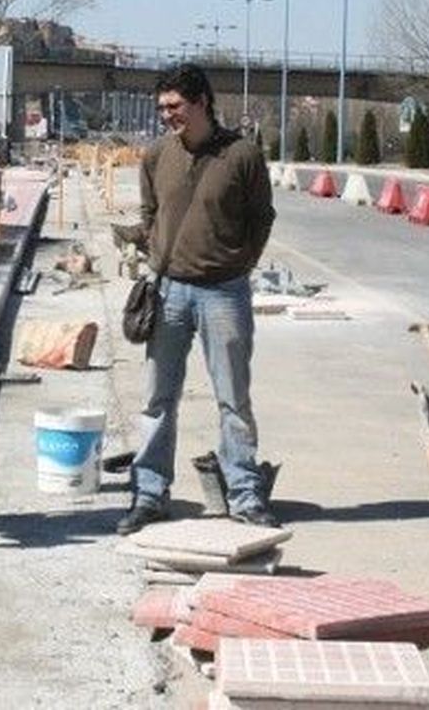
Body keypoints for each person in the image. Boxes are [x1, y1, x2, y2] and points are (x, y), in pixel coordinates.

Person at [120, 63, 278, 534]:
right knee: (157, 399)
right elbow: (150, 213)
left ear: (201, 102)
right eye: (163, 107)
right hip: (168, 292)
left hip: (224, 293)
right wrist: (158, 254)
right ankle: (149, 493)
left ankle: (245, 494)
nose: (168, 115)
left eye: (176, 106)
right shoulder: (155, 157)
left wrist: (238, 264)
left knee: (233, 398)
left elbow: (261, 218)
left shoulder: (243, 156)